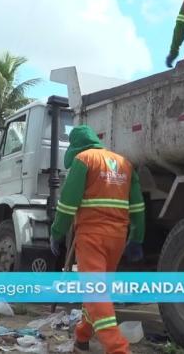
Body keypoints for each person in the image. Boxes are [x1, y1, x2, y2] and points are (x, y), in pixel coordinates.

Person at [49, 126, 145, 354]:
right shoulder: (124, 163)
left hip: (92, 236)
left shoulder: (84, 160)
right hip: (118, 238)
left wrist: (57, 232)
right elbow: (138, 205)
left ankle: (118, 349)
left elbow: (68, 202)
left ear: (75, 146)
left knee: (95, 292)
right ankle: (82, 337)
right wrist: (137, 237)